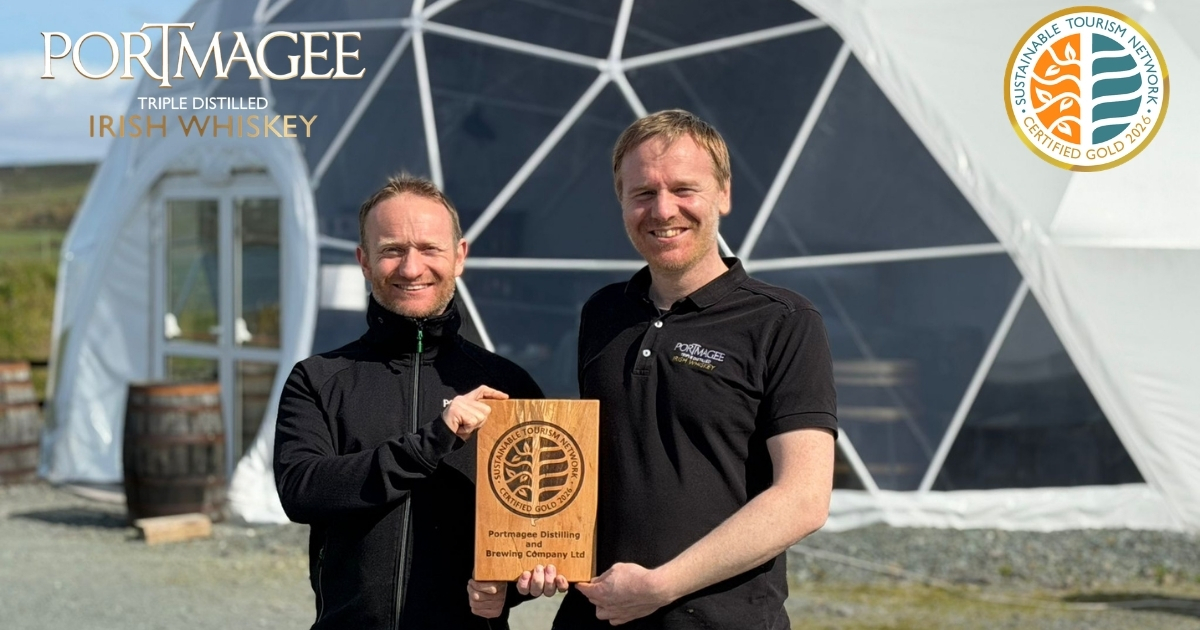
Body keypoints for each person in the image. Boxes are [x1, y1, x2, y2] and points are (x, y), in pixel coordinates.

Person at [554, 110, 838, 629]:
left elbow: (803, 498)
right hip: (597, 617)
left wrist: (661, 586)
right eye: (642, 193)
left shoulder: (784, 321)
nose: (663, 210)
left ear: (723, 195)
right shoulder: (603, 314)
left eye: (684, 189)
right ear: (621, 200)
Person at [275, 175, 566, 629]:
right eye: (392, 249)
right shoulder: (318, 379)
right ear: (364, 262)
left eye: (429, 248)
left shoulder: (508, 385)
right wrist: (432, 440)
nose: (412, 268)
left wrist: (510, 589)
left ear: (460, 257)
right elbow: (302, 491)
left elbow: (538, 528)